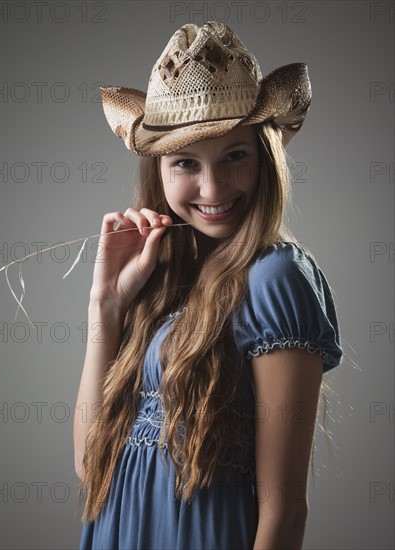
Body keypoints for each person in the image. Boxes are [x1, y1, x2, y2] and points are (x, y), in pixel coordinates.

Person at [74, 21, 343, 550]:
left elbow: (284, 512)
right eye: (185, 164)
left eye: (234, 157)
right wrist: (105, 306)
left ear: (265, 159)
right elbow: (91, 464)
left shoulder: (276, 277)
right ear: (160, 171)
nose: (212, 187)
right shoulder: (162, 286)